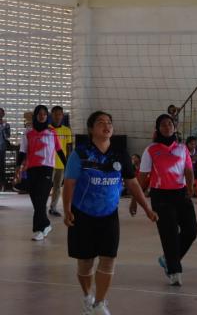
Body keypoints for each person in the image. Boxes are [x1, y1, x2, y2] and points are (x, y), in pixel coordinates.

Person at [63, 111, 158, 315]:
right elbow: (69, 183)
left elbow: (132, 183)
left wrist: (147, 209)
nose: (106, 126)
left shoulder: (120, 154)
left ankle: (99, 303)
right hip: (83, 214)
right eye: (101, 122)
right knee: (85, 262)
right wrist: (67, 209)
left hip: (109, 215)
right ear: (91, 129)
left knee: (108, 258)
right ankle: (87, 296)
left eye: (109, 122)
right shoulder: (80, 154)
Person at [138, 114, 197, 287]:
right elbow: (143, 175)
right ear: (158, 129)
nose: (167, 127)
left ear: (174, 127)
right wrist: (136, 198)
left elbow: (188, 169)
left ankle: (168, 259)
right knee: (169, 233)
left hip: (180, 193)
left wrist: (190, 186)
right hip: (160, 196)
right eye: (163, 125)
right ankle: (174, 271)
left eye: (170, 124)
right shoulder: (151, 150)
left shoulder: (182, 148)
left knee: (191, 230)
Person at [15, 105, 67, 241]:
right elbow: (22, 151)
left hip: (47, 169)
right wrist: (17, 167)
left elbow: (59, 150)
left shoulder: (52, 132)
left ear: (47, 116)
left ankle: (39, 229)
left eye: (44, 114)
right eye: (39, 113)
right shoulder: (28, 132)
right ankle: (46, 225)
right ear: (35, 116)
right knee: (36, 201)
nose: (42, 116)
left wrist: (67, 165)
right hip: (32, 169)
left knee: (41, 200)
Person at [49, 106, 73, 216]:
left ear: (62, 116)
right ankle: (41, 208)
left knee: (57, 187)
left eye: (59, 114)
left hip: (61, 164)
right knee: (46, 187)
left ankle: (53, 208)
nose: (57, 116)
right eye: (55, 114)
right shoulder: (47, 129)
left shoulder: (67, 130)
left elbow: (69, 149)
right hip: (48, 164)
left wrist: (69, 163)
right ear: (51, 115)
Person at [0, 108, 11, 191]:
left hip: (2, 147)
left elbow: (8, 136)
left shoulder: (6, 125)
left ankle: (2, 184)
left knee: (2, 166)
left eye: (1, 113)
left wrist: (3, 127)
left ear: (3, 114)